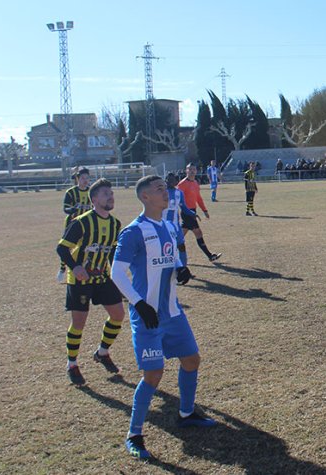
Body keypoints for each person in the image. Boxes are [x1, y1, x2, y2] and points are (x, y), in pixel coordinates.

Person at [111, 175, 216, 460]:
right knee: (153, 374)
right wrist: (139, 304)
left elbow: (173, 258)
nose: (165, 192)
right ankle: (134, 434)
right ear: (145, 197)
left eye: (164, 188)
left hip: (172, 311)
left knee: (192, 359)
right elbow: (117, 273)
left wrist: (181, 269)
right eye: (158, 189)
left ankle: (186, 413)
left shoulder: (170, 226)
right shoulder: (133, 232)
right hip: (148, 317)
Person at [56, 178, 125, 385]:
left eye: (111, 193)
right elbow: (62, 248)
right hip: (80, 280)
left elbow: (112, 252)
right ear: (94, 199)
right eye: (106, 194)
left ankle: (102, 352)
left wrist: (118, 274)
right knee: (79, 322)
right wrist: (75, 267)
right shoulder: (82, 222)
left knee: (118, 314)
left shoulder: (115, 224)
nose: (110, 197)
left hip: (102, 277)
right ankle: (72, 364)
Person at [177, 163, 221, 262]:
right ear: (186, 171)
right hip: (187, 212)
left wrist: (204, 210)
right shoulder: (182, 184)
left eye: (194, 169)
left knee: (180, 236)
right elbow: (178, 200)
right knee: (198, 233)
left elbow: (198, 198)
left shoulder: (195, 183)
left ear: (196, 171)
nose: (192, 171)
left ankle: (168, 252)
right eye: (190, 169)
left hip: (193, 211)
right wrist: (187, 211)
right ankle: (210, 256)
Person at [57, 167, 93, 283]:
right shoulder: (71, 192)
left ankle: (87, 268)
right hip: (73, 223)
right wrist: (73, 209)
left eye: (87, 178)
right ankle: (63, 269)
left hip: (87, 224)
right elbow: (65, 208)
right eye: (82, 178)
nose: (85, 180)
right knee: (66, 247)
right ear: (77, 179)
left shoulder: (91, 191)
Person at [164, 172, 197, 261]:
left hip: (176, 226)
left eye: (173, 179)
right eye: (168, 179)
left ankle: (184, 269)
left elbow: (184, 208)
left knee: (181, 246)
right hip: (163, 226)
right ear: (165, 181)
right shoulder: (161, 193)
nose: (170, 181)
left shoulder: (179, 193)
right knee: (166, 247)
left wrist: (193, 214)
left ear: (176, 181)